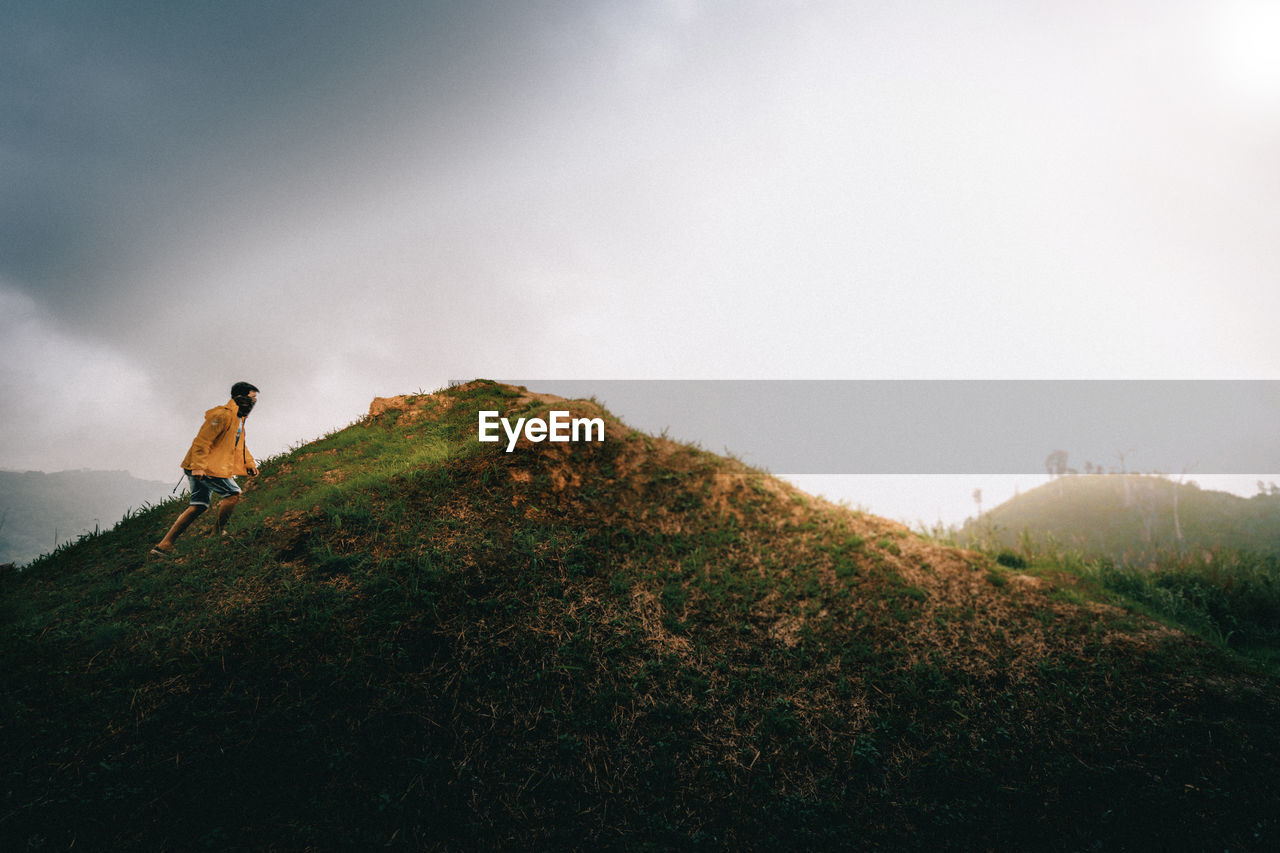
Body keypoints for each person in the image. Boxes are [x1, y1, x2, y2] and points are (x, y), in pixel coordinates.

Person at [151, 382, 260, 557]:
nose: (254, 402)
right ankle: (217, 532)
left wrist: (250, 464)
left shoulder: (238, 419)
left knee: (198, 505)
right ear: (240, 397)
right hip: (205, 467)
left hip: (203, 466)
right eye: (252, 397)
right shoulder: (222, 415)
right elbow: (202, 441)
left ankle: (164, 545)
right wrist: (198, 467)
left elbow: (238, 446)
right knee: (233, 494)